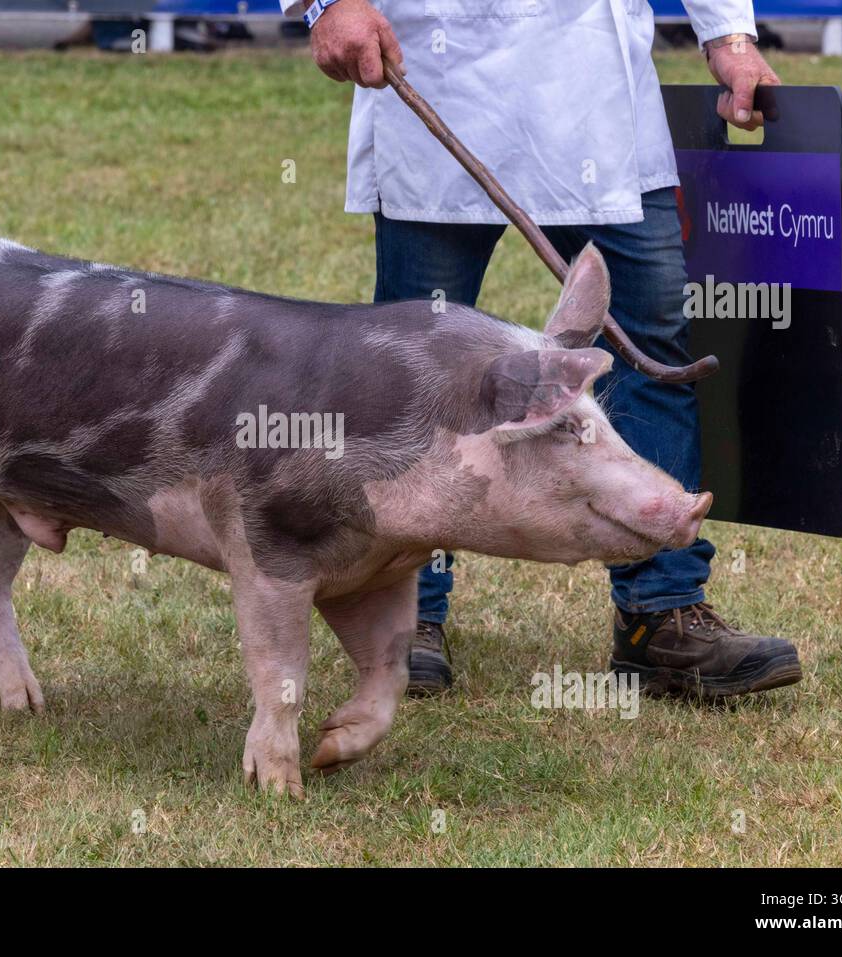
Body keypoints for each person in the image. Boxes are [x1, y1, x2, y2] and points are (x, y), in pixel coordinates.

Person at [282, 0, 803, 699]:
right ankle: (405, 616)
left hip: (597, 92)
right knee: (412, 369)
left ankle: (662, 615)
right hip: (437, 66)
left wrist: (728, 34)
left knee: (655, 339)